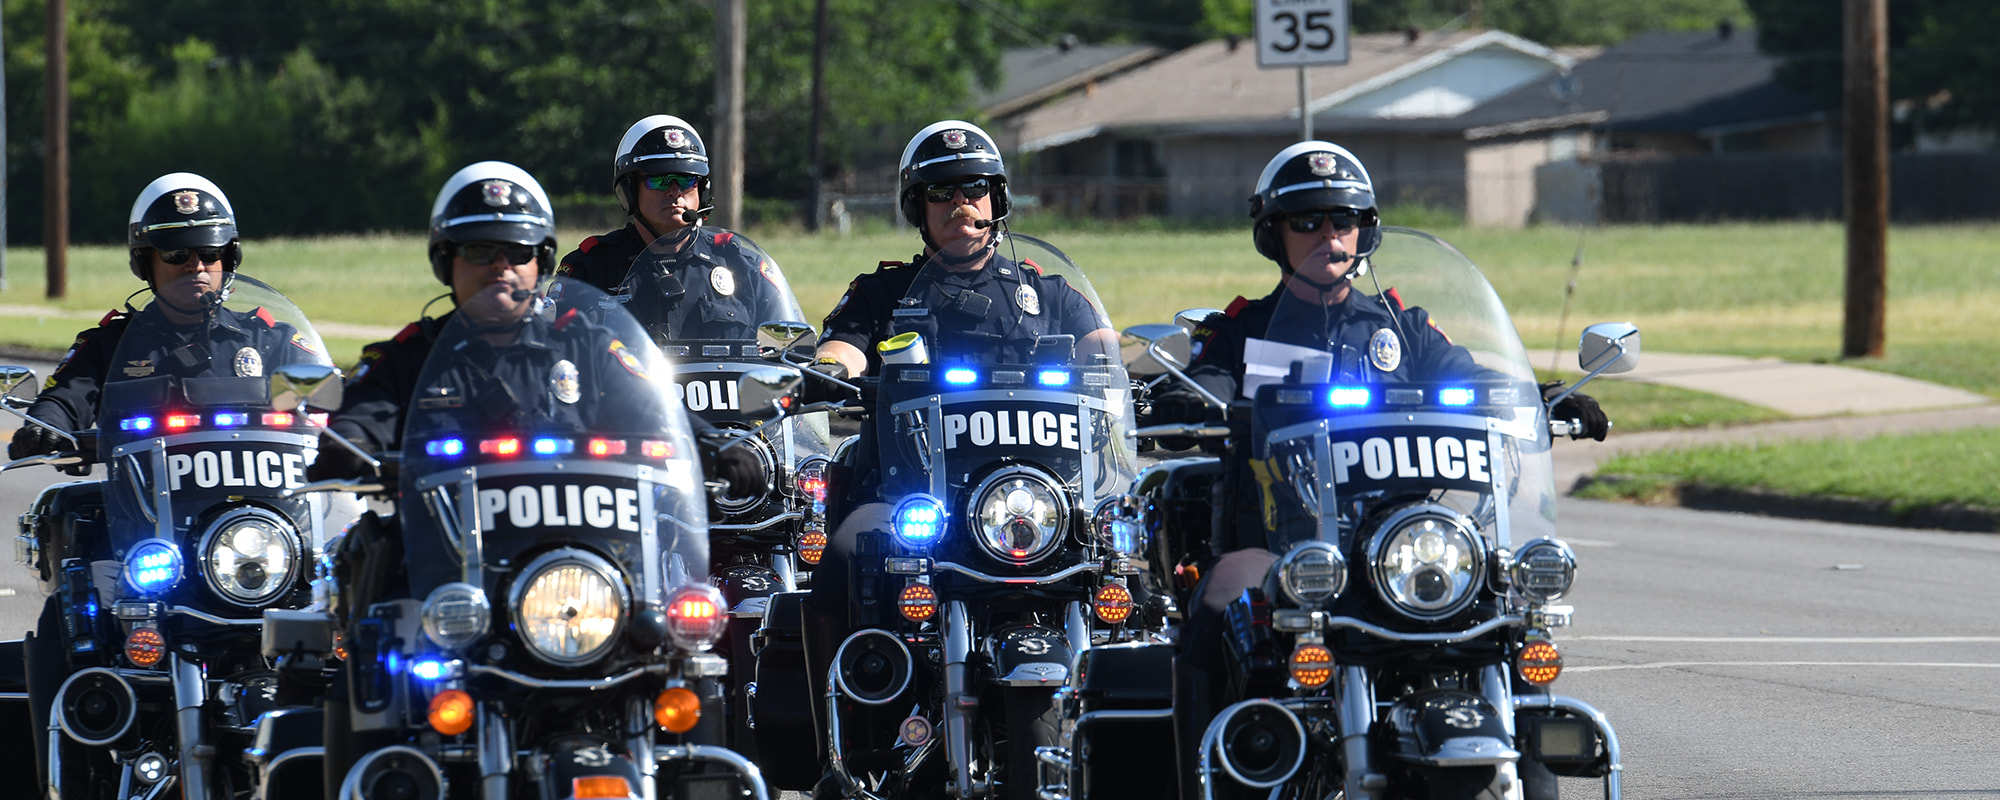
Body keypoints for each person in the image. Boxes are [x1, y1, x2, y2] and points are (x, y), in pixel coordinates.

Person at [1149, 141, 1609, 800]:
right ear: (1272, 235)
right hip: (1281, 544)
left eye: (1343, 219)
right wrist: (1187, 398)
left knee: (1505, 617)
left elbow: (1473, 379)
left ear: (1366, 229)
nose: (1327, 235)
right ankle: (1204, 785)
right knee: (1216, 600)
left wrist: (1543, 396)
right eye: (1306, 221)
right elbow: (1203, 384)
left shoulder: (1405, 326)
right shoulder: (1244, 331)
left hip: (1400, 548)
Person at [793, 120, 1118, 775]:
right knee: (842, 558)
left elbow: (1106, 355)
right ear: (919, 208)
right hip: (911, 498)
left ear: (997, 200)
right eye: (941, 193)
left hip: (1038, 505)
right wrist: (827, 367)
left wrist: (1134, 371)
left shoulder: (1050, 295)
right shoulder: (883, 293)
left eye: (974, 188)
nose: (959, 203)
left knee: (1127, 573)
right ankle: (837, 742)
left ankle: (1126, 736)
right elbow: (843, 347)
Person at [307, 161, 762, 490]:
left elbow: (655, 409)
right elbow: (361, 421)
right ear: (446, 261)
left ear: (540, 261)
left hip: (579, 567)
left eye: (519, 252)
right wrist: (349, 442)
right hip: (447, 575)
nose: (501, 268)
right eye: (481, 252)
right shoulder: (410, 358)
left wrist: (714, 444)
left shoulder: (587, 347)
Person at [9, 173, 314, 463]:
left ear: (229, 257)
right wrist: (44, 426)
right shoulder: (109, 346)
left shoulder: (271, 340)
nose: (196, 266)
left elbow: (332, 405)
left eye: (209, 252)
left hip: (260, 512)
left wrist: (351, 431)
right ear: (144, 262)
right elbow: (64, 400)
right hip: (143, 511)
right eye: (176, 253)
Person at [558, 114, 790, 341]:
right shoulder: (591, 269)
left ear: (702, 190)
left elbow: (787, 352)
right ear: (629, 190)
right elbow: (557, 355)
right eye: (659, 179)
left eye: (687, 180)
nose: (675, 191)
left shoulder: (739, 265)